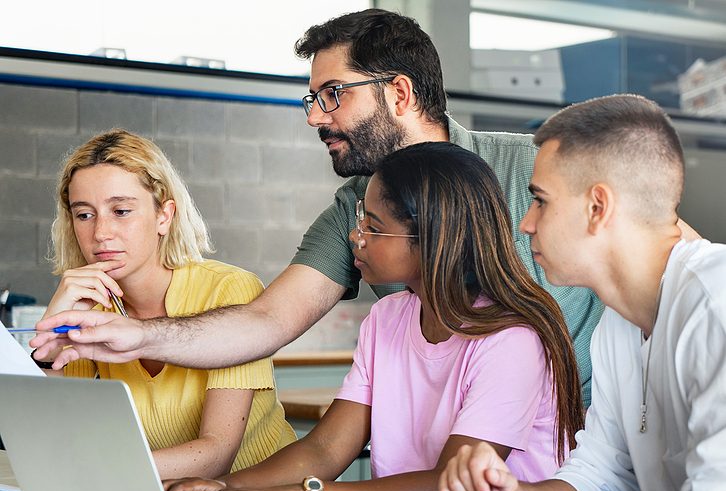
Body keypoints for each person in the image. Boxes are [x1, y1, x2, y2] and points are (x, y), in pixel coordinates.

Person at [32, 8, 603, 406]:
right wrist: (138, 336)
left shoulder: (536, 165)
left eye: (333, 95)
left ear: (399, 94)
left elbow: (664, 244)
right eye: (312, 98)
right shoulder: (353, 210)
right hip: (454, 456)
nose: (314, 117)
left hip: (585, 446)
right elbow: (266, 320)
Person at [164, 142, 584, 491]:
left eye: (374, 227)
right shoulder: (387, 318)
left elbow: (452, 483)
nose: (355, 237)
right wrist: (228, 488)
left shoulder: (511, 339)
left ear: (433, 239)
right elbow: (324, 450)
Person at [412, 94, 726, 491]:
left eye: (540, 201)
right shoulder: (618, 321)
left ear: (598, 208)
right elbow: (606, 474)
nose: (525, 223)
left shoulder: (716, 306)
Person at [36, 129, 296, 480]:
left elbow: (215, 455)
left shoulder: (229, 290)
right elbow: (55, 437)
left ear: (164, 215)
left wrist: (103, 468)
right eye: (85, 215)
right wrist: (47, 344)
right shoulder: (91, 307)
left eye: (121, 211)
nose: (101, 233)